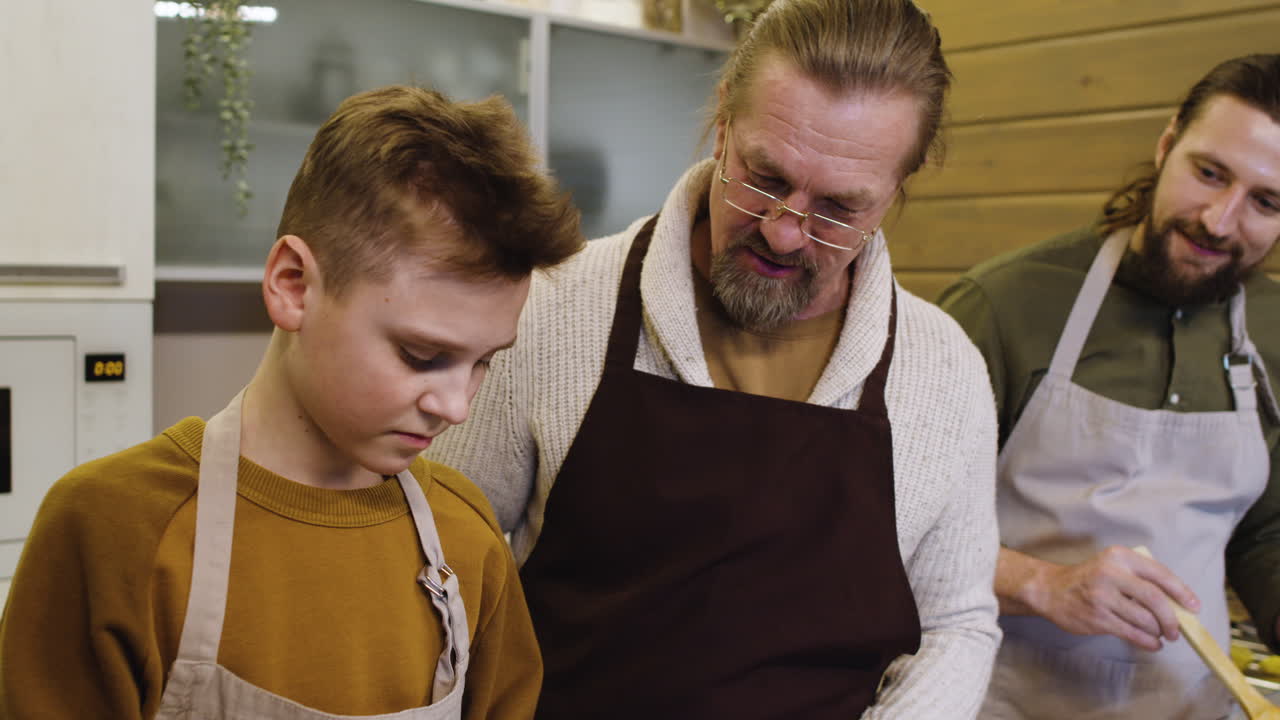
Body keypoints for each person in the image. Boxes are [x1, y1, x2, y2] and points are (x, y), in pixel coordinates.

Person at [426, 0, 1002, 716]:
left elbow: (956, 624)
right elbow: (437, 560)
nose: (785, 232)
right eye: (766, 178)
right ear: (723, 124)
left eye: (838, 208)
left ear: (894, 193)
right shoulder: (555, 307)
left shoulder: (944, 372)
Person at [0, 85, 581, 720]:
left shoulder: (465, 536)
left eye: (484, 361)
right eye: (421, 354)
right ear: (294, 285)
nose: (456, 406)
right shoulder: (112, 529)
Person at [937, 54, 1280, 719]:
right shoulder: (1004, 305)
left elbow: (1264, 533)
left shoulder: (1272, 330)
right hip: (1002, 699)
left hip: (1192, 707)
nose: (1219, 220)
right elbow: (889, 523)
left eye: (1265, 202)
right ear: (1167, 144)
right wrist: (1042, 584)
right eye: (1209, 173)